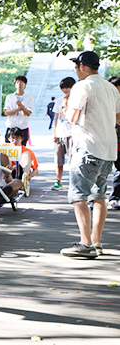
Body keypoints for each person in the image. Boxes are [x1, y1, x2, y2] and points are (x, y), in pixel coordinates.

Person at [61, 51, 120, 258]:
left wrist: (65, 108)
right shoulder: (111, 88)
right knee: (99, 195)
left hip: (87, 147)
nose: (76, 71)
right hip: (108, 151)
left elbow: (74, 117)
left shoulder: (82, 86)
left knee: (78, 196)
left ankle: (85, 244)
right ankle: (96, 242)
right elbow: (118, 118)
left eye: (76, 67)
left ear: (83, 66)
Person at [51, 78, 75, 190]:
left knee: (72, 160)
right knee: (58, 160)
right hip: (60, 133)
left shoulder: (76, 100)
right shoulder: (58, 101)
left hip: (72, 134)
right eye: (63, 88)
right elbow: (56, 118)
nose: (65, 90)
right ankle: (58, 181)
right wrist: (54, 133)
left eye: (68, 87)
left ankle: (73, 181)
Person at [7, 127, 39, 197]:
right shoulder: (4, 147)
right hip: (6, 171)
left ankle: (24, 179)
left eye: (18, 138)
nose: (15, 140)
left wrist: (28, 177)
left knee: (26, 154)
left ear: (22, 139)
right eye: (13, 138)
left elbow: (36, 170)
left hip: (20, 172)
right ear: (9, 138)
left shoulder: (28, 151)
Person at [3, 75, 33, 145]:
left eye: (22, 82)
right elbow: (6, 112)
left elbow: (28, 113)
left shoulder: (29, 98)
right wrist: (17, 109)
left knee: (22, 149)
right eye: (17, 82)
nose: (19, 84)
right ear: (15, 84)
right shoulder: (9, 97)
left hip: (23, 127)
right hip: (11, 127)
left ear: (25, 84)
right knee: (9, 149)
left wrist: (22, 107)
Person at [108, 76, 120, 210]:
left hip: (117, 141)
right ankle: (96, 198)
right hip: (108, 140)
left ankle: (115, 197)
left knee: (119, 170)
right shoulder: (107, 101)